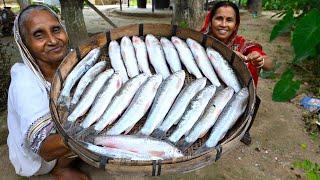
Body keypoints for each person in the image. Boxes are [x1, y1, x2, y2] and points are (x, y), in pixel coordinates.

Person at [7, 4, 89, 179]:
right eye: (39, 35)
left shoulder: (72, 60)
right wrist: (96, 129)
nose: (52, 40)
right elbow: (44, 149)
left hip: (64, 133)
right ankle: (58, 168)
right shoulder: (24, 82)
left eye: (56, 29)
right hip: (40, 157)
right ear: (25, 44)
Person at [201, 1, 273, 87]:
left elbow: (269, 65)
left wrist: (259, 60)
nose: (223, 24)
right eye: (219, 18)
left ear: (235, 25)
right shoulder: (198, 41)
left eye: (229, 20)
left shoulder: (242, 44)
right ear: (210, 21)